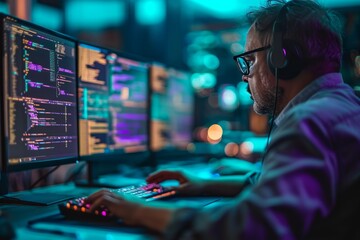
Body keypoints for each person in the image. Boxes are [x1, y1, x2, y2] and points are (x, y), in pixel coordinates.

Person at [85, 0, 360, 239]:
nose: (245, 75)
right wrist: (204, 184)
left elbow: (248, 229)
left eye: (250, 61)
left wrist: (137, 210)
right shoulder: (344, 107)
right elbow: (285, 189)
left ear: (281, 60)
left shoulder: (309, 121)